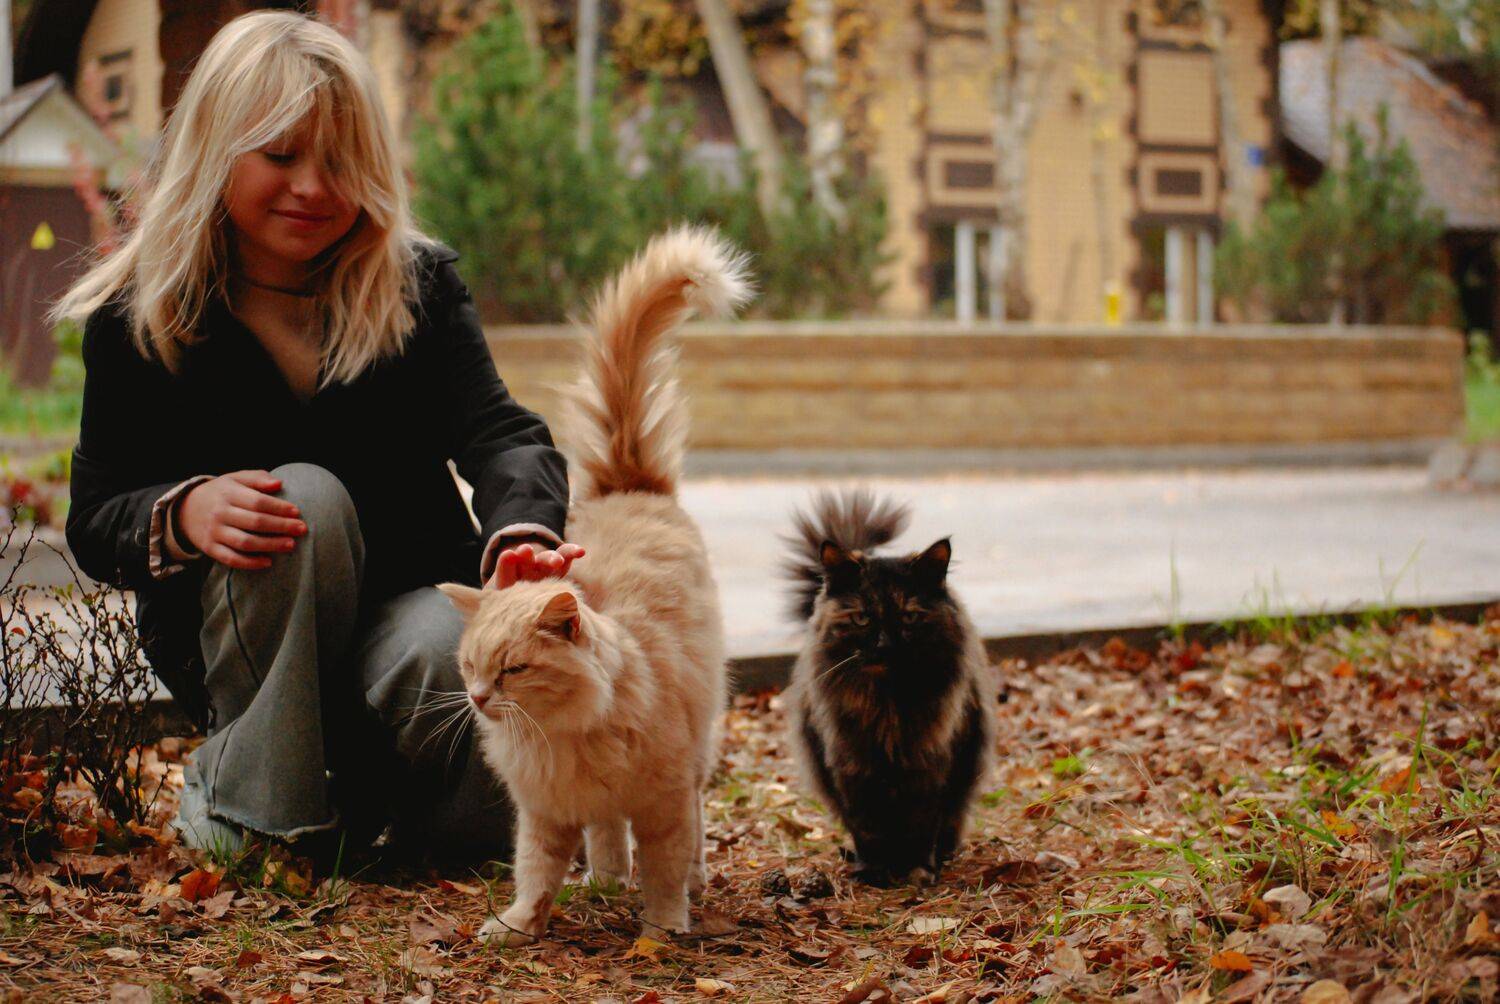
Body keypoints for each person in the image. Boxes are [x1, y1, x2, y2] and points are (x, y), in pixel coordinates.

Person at [56, 9, 580, 861]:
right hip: (240, 645)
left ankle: (378, 806)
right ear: (215, 150)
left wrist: (523, 532)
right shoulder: (139, 316)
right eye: (280, 155)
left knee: (477, 806)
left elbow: (502, 432)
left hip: (405, 627)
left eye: (341, 161)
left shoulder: (416, 287)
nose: (313, 186)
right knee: (301, 498)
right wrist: (182, 514)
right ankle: (259, 814)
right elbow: (94, 515)